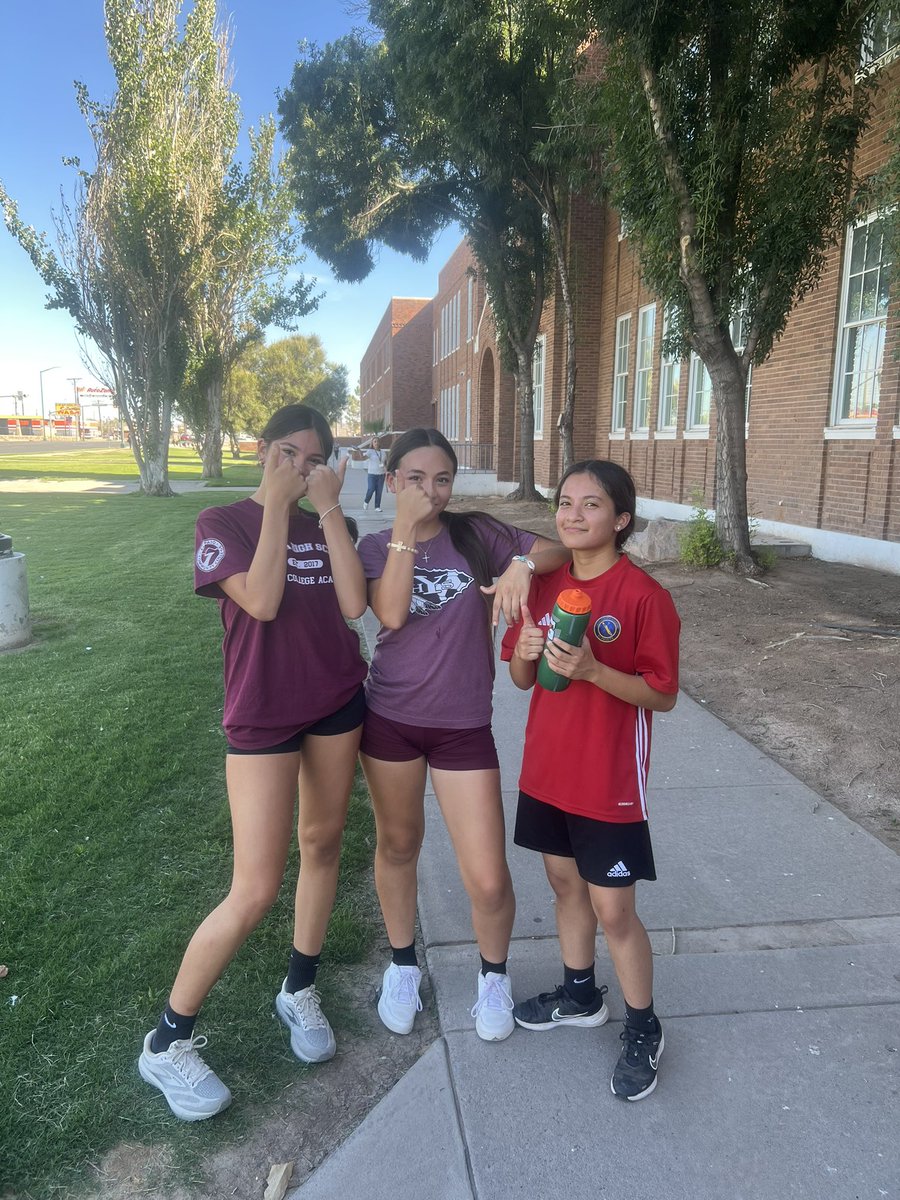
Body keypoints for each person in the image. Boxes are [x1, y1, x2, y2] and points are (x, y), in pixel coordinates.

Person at [138, 403, 368, 1121]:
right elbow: (263, 602)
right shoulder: (223, 524)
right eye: (288, 454)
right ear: (263, 451)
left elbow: (354, 608)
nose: (300, 467)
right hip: (264, 713)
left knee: (322, 844)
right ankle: (165, 1042)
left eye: (313, 457)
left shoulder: (331, 522)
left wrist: (327, 513)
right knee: (255, 886)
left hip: (335, 700)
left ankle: (299, 988)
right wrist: (275, 504)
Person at [356, 428, 570, 1042]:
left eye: (442, 479)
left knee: (488, 875)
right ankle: (402, 966)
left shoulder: (477, 533)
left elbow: (555, 550)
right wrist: (403, 528)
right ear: (392, 481)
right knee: (398, 846)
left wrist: (522, 566)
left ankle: (493, 978)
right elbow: (391, 613)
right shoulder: (375, 546)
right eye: (416, 478)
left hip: (462, 727)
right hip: (391, 721)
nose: (431, 490)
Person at [501, 460, 680, 1101]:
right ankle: (580, 995)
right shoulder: (544, 588)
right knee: (561, 883)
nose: (574, 515)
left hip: (608, 779)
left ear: (621, 520)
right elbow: (524, 683)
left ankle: (643, 1025)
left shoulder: (642, 596)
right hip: (547, 768)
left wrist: (595, 671)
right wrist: (523, 656)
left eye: (592, 505)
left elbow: (663, 695)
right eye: (566, 503)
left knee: (615, 909)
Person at [360, 437, 387, 512]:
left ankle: (377, 506)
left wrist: (386, 471)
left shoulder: (383, 452)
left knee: (379, 491)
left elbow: (384, 464)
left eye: (377, 441)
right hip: (372, 474)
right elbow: (363, 458)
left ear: (379, 443)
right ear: (372, 443)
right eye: (375, 441)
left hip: (381, 475)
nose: (376, 443)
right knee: (371, 489)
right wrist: (359, 451)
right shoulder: (370, 452)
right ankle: (366, 501)